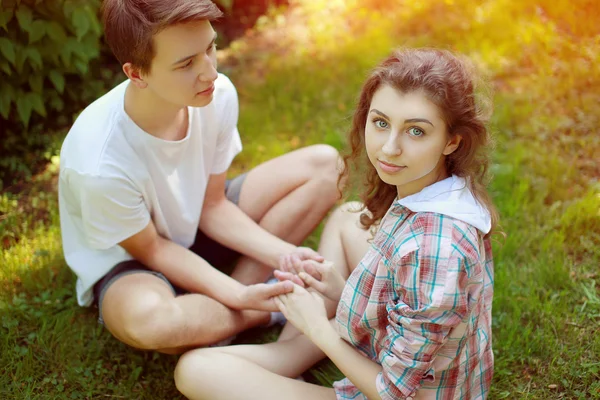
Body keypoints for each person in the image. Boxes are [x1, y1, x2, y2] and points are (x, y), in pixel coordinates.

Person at [174, 47, 499, 399]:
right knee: (349, 217)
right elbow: (410, 301)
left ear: (452, 141)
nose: (389, 148)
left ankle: (297, 348)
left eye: (416, 131)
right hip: (407, 358)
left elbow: (395, 392)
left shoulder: (435, 249)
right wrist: (343, 289)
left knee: (194, 371)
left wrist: (317, 327)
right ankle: (289, 356)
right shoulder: (437, 192)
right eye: (381, 123)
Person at [57, 0, 341, 354]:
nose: (210, 73)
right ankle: (262, 310)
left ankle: (235, 309)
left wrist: (288, 255)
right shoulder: (98, 164)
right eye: (186, 64)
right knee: (154, 322)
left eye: (210, 48)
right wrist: (238, 295)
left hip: (197, 224)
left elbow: (213, 205)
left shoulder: (216, 95)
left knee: (325, 167)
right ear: (137, 74)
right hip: (134, 261)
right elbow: (154, 248)